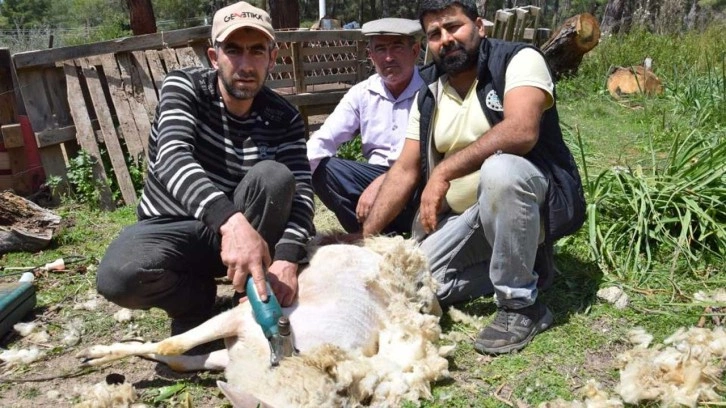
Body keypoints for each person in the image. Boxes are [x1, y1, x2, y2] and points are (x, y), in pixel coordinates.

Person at [362, 0, 586, 354]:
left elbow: (521, 131)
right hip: (464, 218)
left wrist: (444, 173)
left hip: (527, 204)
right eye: (435, 34)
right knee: (413, 286)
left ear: (479, 27)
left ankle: (520, 304)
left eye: (454, 27)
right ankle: (531, 266)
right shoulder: (430, 92)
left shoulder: (517, 60)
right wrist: (364, 239)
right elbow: (404, 169)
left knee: (501, 168)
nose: (446, 39)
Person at [96, 1, 314, 336]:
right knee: (118, 277)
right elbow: (172, 156)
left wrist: (287, 256)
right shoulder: (184, 88)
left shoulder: (283, 116)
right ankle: (195, 302)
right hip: (178, 230)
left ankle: (248, 297)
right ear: (214, 58)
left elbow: (301, 190)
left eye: (257, 51)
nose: (245, 64)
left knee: (275, 177)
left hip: (249, 241)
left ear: (272, 57)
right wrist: (229, 221)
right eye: (233, 51)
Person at [307, 18, 424, 234]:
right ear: (370, 56)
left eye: (397, 47)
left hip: (418, 182)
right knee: (324, 170)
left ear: (415, 51)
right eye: (380, 49)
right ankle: (372, 236)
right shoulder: (362, 93)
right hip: (370, 180)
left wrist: (387, 180)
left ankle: (379, 235)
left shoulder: (431, 91)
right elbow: (325, 138)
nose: (389, 57)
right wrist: (296, 185)